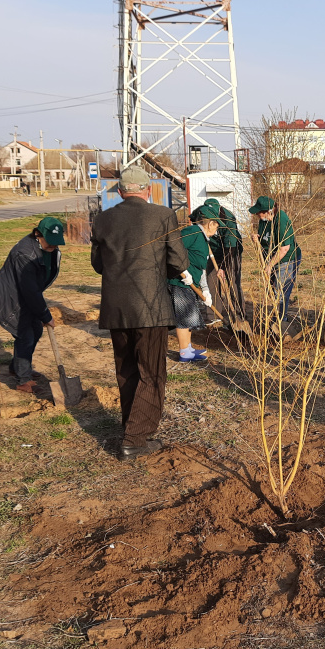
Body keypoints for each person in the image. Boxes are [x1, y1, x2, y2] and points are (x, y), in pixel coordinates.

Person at [90, 166, 189, 462]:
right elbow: (177, 259)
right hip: (151, 307)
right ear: (148, 190)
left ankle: (130, 426)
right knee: (152, 372)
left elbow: (98, 265)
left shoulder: (103, 219)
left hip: (116, 307)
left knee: (127, 370)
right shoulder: (162, 216)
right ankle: (134, 440)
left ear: (120, 192)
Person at [0, 216, 65, 394]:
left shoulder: (50, 251)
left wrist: (41, 314)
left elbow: (35, 287)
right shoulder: (24, 254)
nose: (53, 247)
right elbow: (30, 290)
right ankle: (23, 380)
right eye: (50, 242)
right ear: (37, 234)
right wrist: (45, 315)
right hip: (7, 298)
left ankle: (18, 367)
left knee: (36, 330)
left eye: (56, 243)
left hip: (24, 296)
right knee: (25, 334)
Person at [168, 205, 220, 362]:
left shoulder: (204, 239)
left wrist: (205, 289)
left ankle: (188, 347)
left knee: (190, 315)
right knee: (184, 316)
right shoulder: (192, 232)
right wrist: (183, 270)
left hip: (191, 284)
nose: (217, 229)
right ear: (210, 223)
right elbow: (172, 248)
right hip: (180, 281)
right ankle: (184, 352)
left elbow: (201, 267)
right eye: (217, 225)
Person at [249, 195, 301, 322]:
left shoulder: (281, 220)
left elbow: (284, 248)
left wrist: (270, 265)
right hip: (271, 258)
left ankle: (282, 320)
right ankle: (275, 317)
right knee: (271, 289)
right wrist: (257, 238)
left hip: (287, 259)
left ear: (267, 211)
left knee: (281, 290)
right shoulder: (264, 220)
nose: (256, 215)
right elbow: (265, 238)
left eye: (258, 213)